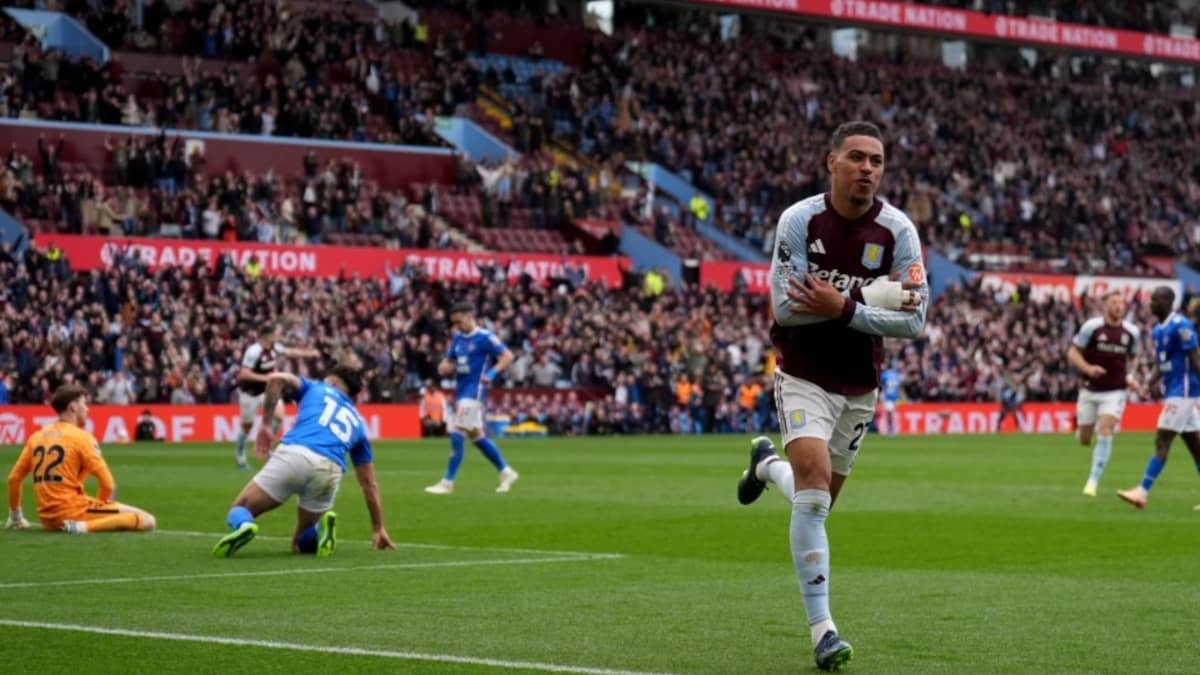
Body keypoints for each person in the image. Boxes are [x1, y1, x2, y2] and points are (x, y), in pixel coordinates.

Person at [733, 121, 927, 671]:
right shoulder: (799, 221)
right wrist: (872, 299)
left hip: (860, 384)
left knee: (815, 503)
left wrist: (843, 304)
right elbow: (785, 307)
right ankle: (823, 631)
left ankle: (767, 466)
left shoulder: (898, 231)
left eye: (877, 161)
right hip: (803, 373)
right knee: (815, 495)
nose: (868, 168)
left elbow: (914, 321)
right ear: (832, 161)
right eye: (857, 157)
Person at [212, 365, 395, 557]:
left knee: (241, 508)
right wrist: (378, 527)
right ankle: (319, 531)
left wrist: (266, 424)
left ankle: (245, 525)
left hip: (296, 454)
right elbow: (369, 484)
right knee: (300, 543)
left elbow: (275, 378)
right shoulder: (359, 423)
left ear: (333, 381)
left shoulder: (315, 387)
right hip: (330, 470)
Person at [6, 383, 156, 534]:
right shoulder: (82, 438)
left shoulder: (36, 437)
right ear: (73, 407)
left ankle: (18, 520)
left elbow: (14, 478)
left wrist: (15, 516)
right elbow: (108, 485)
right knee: (148, 520)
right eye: (84, 404)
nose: (87, 408)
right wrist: (101, 506)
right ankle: (82, 527)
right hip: (74, 511)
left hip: (47, 519)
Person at [1117, 287, 1200, 510]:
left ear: (1167, 301)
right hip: (1174, 391)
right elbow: (1161, 363)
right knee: (1196, 447)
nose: (1150, 303)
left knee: (1162, 440)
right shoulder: (1157, 331)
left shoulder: (1181, 325)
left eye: (1154, 299)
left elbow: (1195, 357)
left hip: (1183, 391)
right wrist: (1148, 384)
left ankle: (1141, 492)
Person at [424, 302, 519, 495]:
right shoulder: (457, 338)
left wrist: (492, 373)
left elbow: (508, 356)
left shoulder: (485, 337)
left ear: (469, 316)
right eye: (454, 323)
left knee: (457, 432)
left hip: (475, 392)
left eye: (459, 321)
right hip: (461, 392)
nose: (457, 326)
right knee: (476, 437)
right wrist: (444, 366)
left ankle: (447, 482)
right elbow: (450, 360)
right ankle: (506, 472)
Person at [1067, 291, 1141, 496]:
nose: (1118, 306)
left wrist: (1131, 376)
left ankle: (1092, 481)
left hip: (1115, 391)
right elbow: (1072, 352)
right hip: (1090, 389)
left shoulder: (1132, 332)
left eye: (1121, 303)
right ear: (1105, 306)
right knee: (1084, 439)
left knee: (1106, 428)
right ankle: (1082, 431)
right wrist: (1088, 368)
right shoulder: (1091, 328)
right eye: (1114, 302)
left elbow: (1134, 356)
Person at [235, 325, 320, 469]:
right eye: (274, 334)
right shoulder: (254, 351)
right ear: (267, 336)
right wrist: (267, 378)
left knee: (279, 417)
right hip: (250, 394)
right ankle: (240, 453)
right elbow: (244, 374)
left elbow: (290, 352)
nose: (277, 336)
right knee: (247, 426)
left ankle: (266, 446)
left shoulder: (275, 348)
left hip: (267, 391)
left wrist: (310, 353)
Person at [879, 361, 902, 435]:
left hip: (888, 396)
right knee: (892, 413)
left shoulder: (885, 374)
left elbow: (881, 385)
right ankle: (892, 428)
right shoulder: (896, 374)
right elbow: (899, 386)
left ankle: (891, 429)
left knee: (889, 413)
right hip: (896, 396)